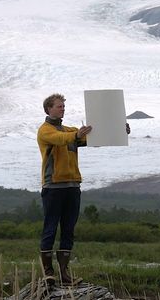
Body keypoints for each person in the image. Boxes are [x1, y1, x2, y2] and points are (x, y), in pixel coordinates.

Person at [36, 92, 128, 286]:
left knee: (68, 230)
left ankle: (63, 273)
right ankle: (48, 272)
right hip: (53, 186)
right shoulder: (45, 131)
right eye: (59, 106)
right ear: (48, 109)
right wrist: (77, 135)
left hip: (72, 186)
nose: (62, 108)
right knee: (50, 228)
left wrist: (118, 131)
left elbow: (92, 139)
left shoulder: (70, 130)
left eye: (63, 105)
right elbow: (62, 138)